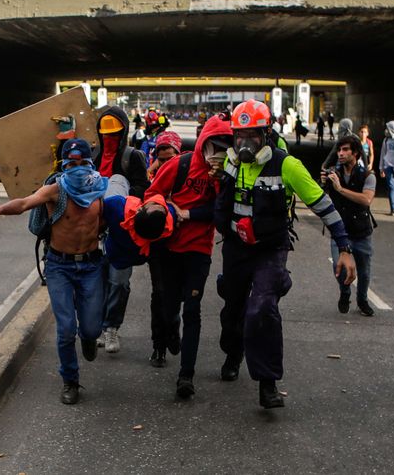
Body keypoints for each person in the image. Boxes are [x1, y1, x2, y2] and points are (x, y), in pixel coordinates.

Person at [214, 100, 355, 409]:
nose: (245, 144)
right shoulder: (231, 163)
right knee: (233, 310)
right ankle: (233, 351)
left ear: (266, 134)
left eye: (252, 136)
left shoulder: (287, 165)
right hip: (237, 248)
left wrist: (344, 247)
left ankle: (267, 383)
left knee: (262, 309)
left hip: (270, 248)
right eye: (240, 137)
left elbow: (322, 205)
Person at [0, 138, 108, 405]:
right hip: (60, 266)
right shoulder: (55, 189)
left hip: (92, 265)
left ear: (91, 162)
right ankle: (70, 381)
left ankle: (89, 338)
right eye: (72, 162)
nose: (78, 167)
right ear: (63, 164)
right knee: (66, 328)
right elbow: (25, 203)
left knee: (92, 329)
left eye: (83, 162)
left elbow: (124, 211)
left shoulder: (102, 189)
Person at [145, 115, 234, 399]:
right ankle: (170, 327)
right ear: (203, 144)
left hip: (199, 250)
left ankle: (186, 375)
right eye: (213, 146)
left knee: (192, 311)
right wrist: (167, 208)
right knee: (169, 306)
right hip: (170, 249)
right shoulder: (179, 165)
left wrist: (218, 186)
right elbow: (151, 194)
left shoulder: (226, 174)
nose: (216, 154)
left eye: (223, 148)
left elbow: (223, 216)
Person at [102, 181, 177, 367]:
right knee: (118, 284)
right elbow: (93, 213)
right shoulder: (116, 206)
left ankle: (164, 339)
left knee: (162, 292)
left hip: (154, 253)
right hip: (121, 252)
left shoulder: (170, 219)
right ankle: (110, 326)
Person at [93, 108, 148, 353]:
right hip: (94, 230)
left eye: (114, 134)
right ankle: (99, 326)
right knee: (96, 281)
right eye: (105, 134)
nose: (109, 139)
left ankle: (112, 327)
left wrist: (117, 198)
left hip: (122, 230)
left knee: (118, 281)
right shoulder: (92, 155)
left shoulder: (132, 156)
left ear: (123, 132)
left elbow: (142, 188)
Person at [321, 135, 376, 316]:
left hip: (361, 232)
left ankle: (362, 300)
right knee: (339, 267)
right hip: (340, 231)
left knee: (364, 271)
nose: (341, 153)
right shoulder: (333, 174)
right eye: (339, 150)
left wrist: (340, 189)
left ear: (356, 153)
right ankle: (345, 294)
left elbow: (366, 199)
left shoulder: (368, 176)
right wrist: (324, 184)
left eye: (345, 150)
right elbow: (320, 199)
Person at [142, 130, 182, 367]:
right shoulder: (149, 177)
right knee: (159, 294)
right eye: (162, 159)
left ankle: (174, 327)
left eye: (171, 159)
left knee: (176, 295)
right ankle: (159, 345)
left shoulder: (187, 173)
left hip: (182, 244)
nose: (166, 164)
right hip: (157, 245)